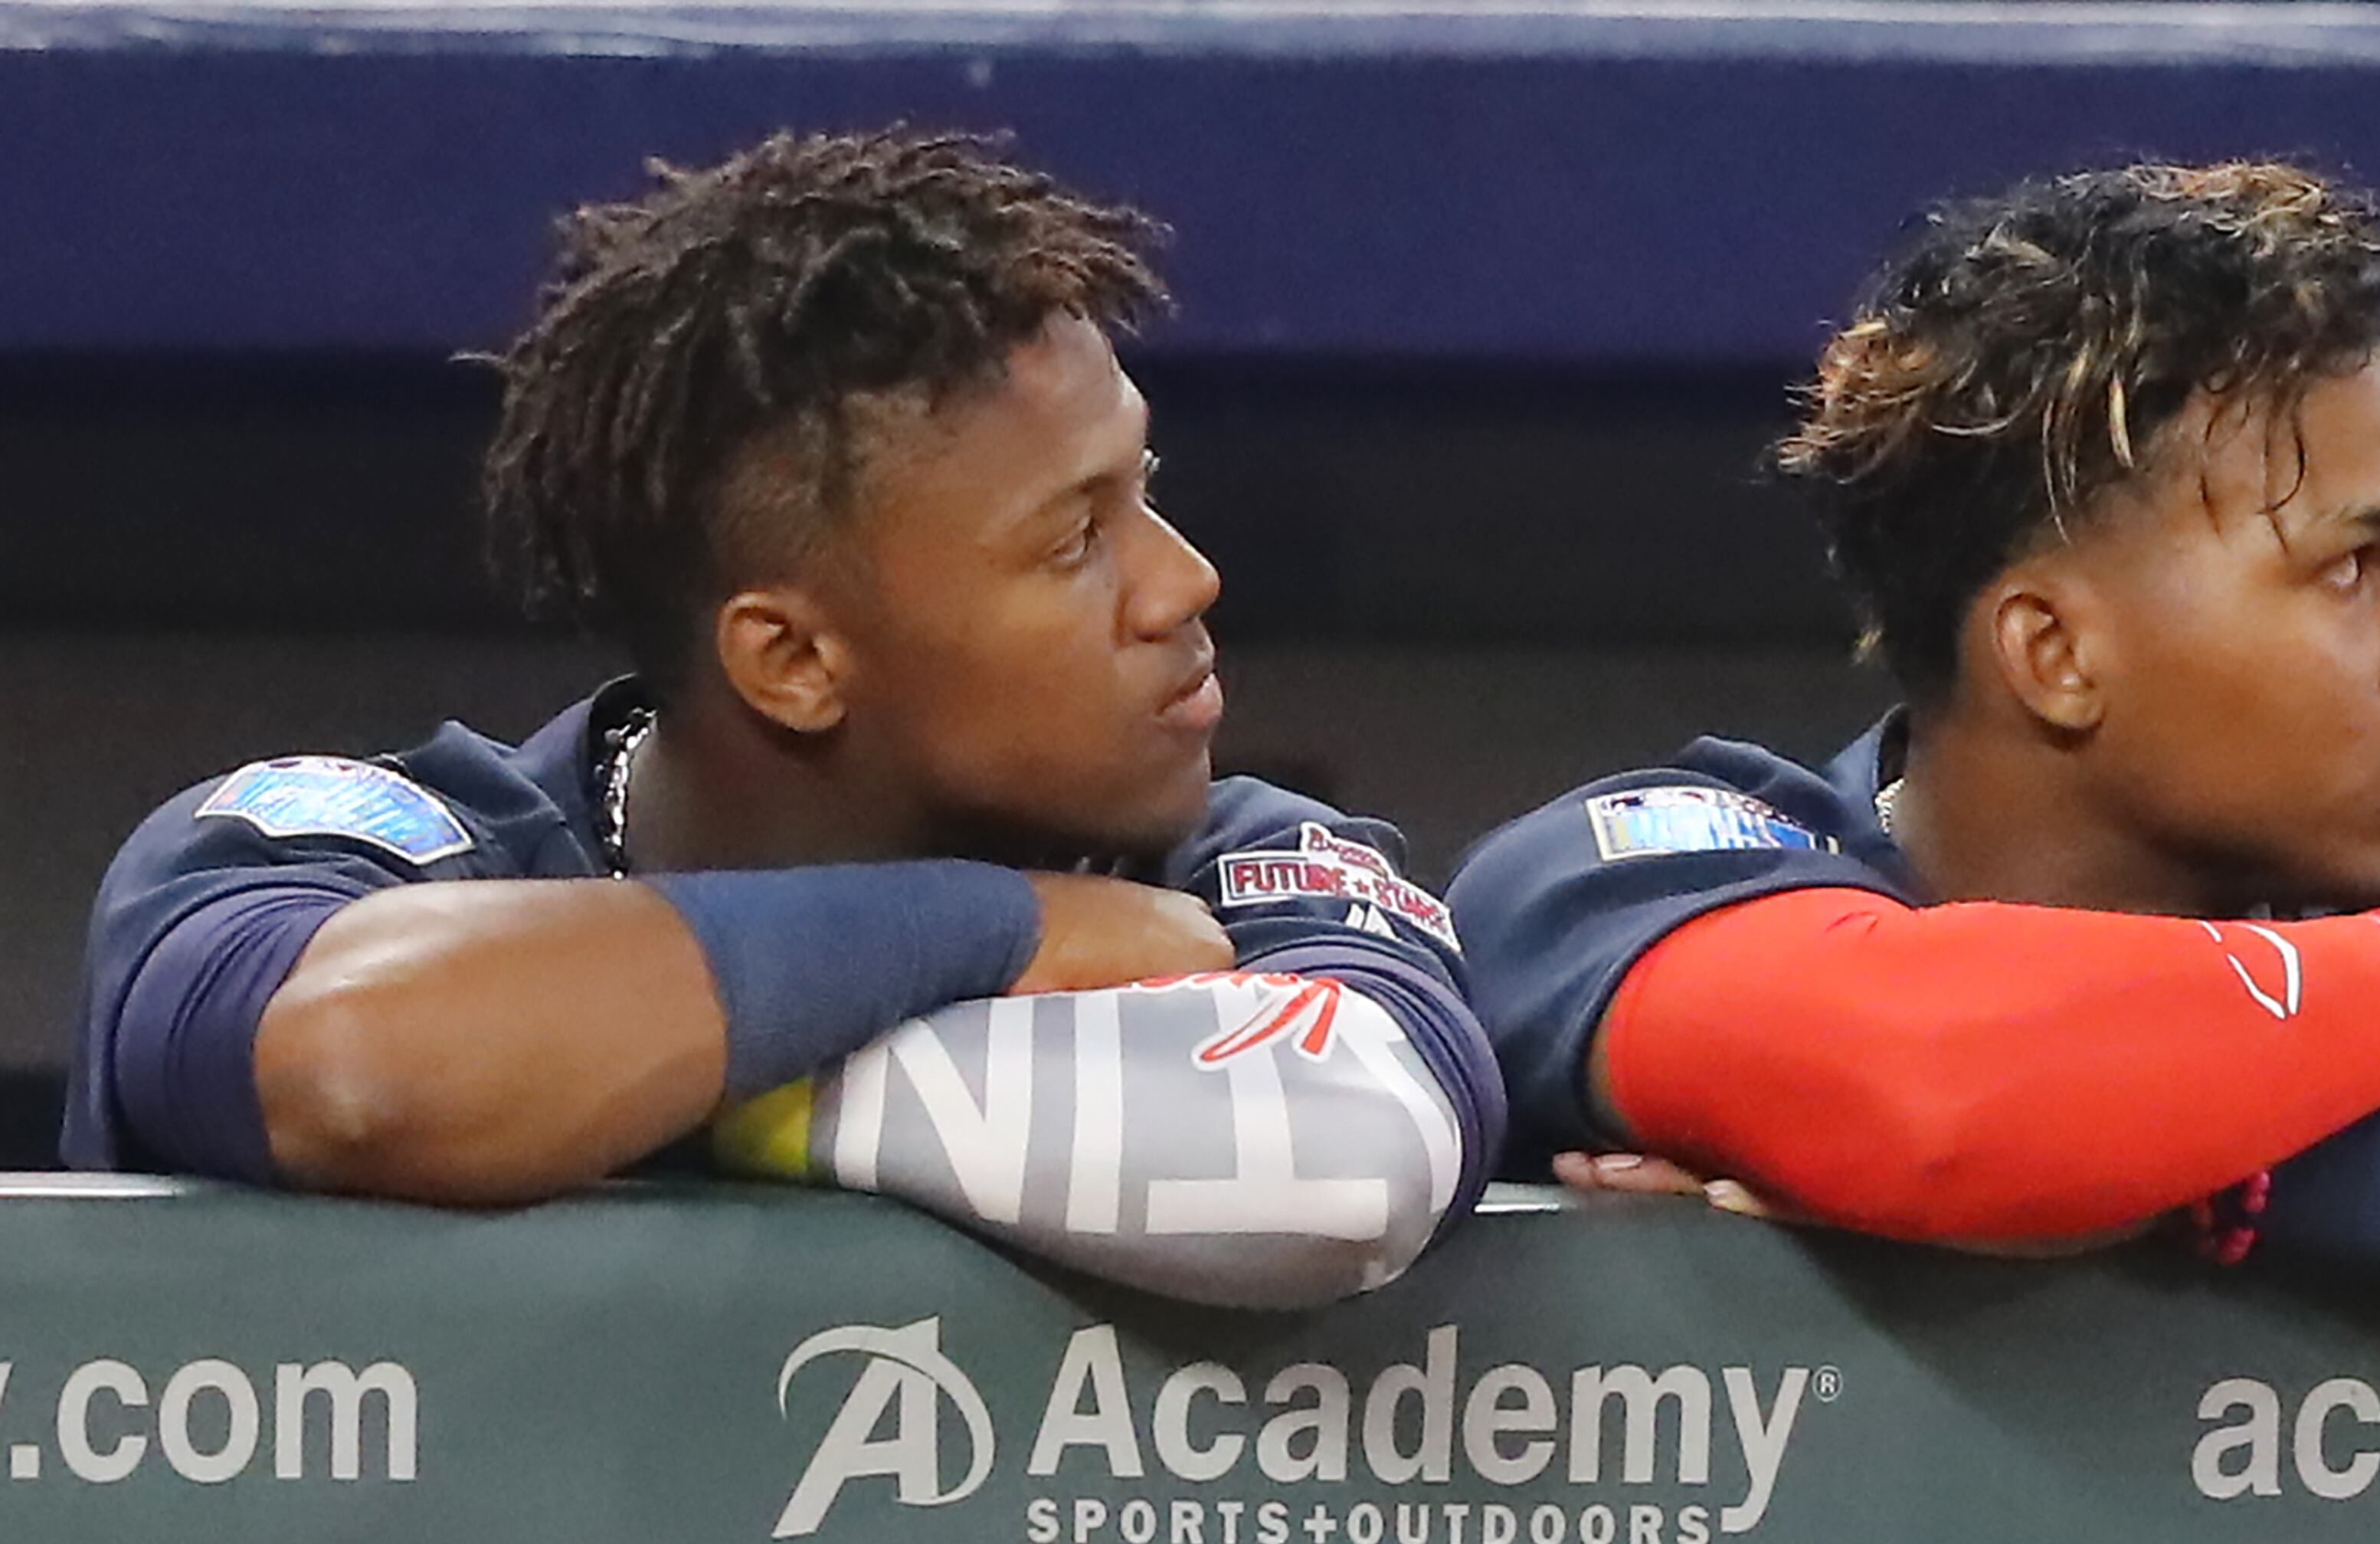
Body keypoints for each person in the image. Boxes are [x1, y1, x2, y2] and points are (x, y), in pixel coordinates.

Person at [1448, 160, 2380, 1356]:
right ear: (2057, 652)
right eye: (2355, 566)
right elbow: (1931, 1087)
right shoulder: (1642, 867)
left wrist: (2139, 1166)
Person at [61, 128, 1501, 1311]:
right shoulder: (352, 852)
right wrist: (1006, 933)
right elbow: (367, 1068)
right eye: (1074, 542)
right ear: (793, 659)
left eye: (1145, 487)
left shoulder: (1227, 870)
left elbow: (1348, 1163)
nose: (1184, 581)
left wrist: (632, 1093)